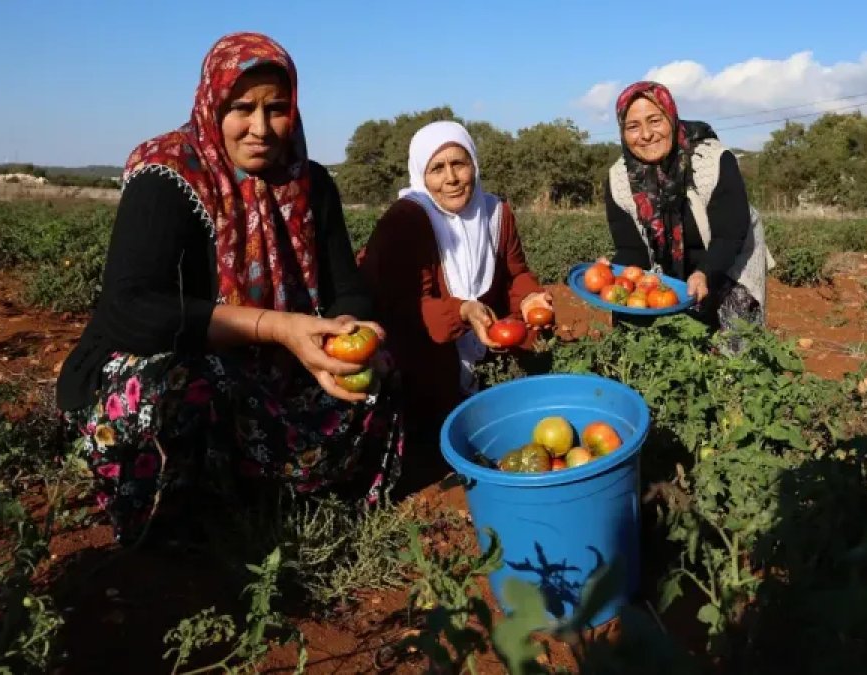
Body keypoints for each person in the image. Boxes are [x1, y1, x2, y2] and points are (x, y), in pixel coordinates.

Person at [55, 32, 404, 545]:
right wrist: (275, 327)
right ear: (213, 104)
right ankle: (182, 525)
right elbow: (129, 309)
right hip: (182, 357)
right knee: (185, 382)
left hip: (280, 367)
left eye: (277, 109)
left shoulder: (310, 183)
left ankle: (293, 496)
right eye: (243, 108)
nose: (261, 128)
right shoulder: (167, 173)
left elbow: (346, 289)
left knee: (379, 366)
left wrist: (345, 331)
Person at [358, 121, 552, 442]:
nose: (451, 178)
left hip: (484, 349)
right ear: (420, 174)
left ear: (474, 164)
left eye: (459, 164)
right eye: (437, 168)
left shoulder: (496, 213)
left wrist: (530, 296)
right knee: (434, 436)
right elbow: (404, 307)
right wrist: (461, 311)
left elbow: (516, 272)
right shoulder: (405, 221)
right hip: (424, 358)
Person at [602, 81, 774, 345]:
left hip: (729, 258)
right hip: (668, 265)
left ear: (671, 118)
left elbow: (729, 235)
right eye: (633, 126)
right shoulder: (619, 180)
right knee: (643, 335)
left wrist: (705, 272)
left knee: (738, 346)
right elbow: (632, 249)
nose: (646, 134)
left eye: (655, 121)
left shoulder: (713, 161)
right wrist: (615, 272)